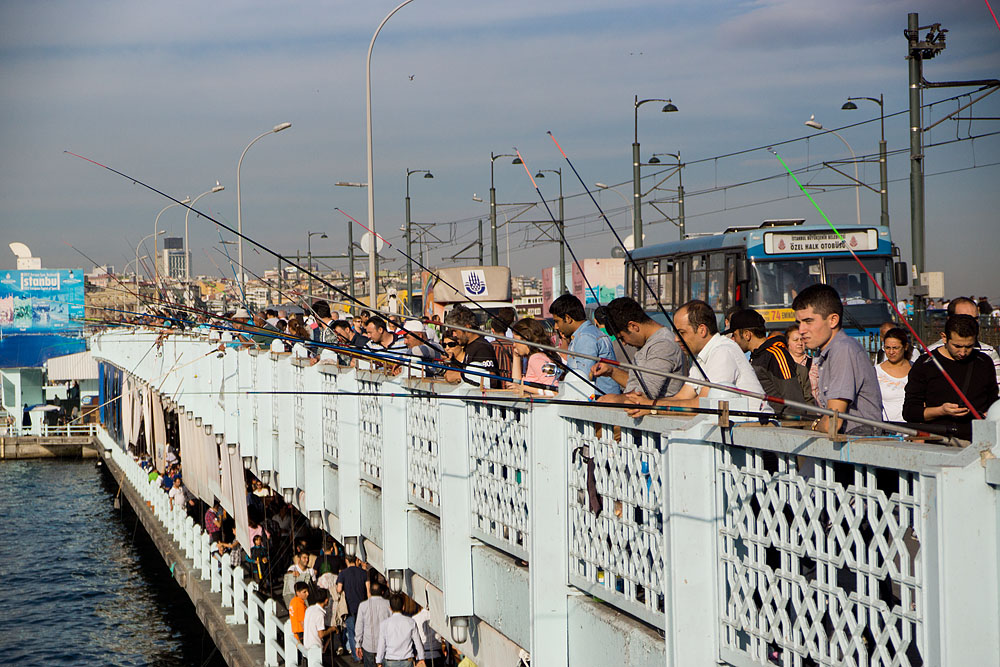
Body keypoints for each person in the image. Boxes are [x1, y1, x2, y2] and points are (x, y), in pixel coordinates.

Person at [625, 300, 768, 416]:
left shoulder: (723, 351)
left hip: (755, 437)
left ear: (702, 330)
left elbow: (703, 403)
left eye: (681, 332)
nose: (676, 339)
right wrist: (643, 403)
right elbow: (682, 397)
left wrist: (652, 407)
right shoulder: (702, 356)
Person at [792, 283, 883, 435]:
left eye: (808, 321)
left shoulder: (843, 349)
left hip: (858, 448)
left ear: (833, 320)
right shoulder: (828, 353)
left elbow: (832, 424)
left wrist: (815, 426)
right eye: (799, 323)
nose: (801, 330)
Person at [903, 314, 999, 440]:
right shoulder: (925, 364)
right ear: (944, 338)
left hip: (978, 441)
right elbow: (910, 412)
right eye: (957, 346)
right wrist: (941, 411)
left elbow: (993, 402)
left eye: (969, 346)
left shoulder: (984, 361)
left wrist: (990, 414)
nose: (963, 352)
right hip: (938, 441)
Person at [591, 297, 685, 403]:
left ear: (633, 326)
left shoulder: (663, 344)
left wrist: (612, 399)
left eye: (622, 337)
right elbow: (639, 383)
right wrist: (612, 371)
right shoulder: (646, 344)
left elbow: (644, 394)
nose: (624, 343)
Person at [726, 309, 808, 415]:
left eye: (735, 335)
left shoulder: (775, 355)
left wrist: (778, 426)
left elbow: (795, 404)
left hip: (776, 426)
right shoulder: (756, 356)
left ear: (747, 335)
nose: (734, 339)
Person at [549, 294, 618, 396]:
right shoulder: (587, 334)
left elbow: (582, 379)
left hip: (599, 401)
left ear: (568, 318)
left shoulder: (585, 337)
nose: (556, 327)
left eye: (557, 321)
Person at [926, 296, 1000, 384]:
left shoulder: (989, 352)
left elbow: (996, 391)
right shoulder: (930, 354)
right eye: (964, 319)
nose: (971, 323)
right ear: (949, 319)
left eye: (975, 319)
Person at [444, 306, 501, 389]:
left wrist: (460, 375)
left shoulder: (482, 347)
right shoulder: (469, 346)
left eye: (455, 331)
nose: (454, 335)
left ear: (467, 327)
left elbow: (492, 379)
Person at [509, 317, 562, 395]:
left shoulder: (537, 359)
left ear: (525, 339)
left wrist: (524, 388)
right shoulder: (535, 357)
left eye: (515, 340)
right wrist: (516, 356)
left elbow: (554, 390)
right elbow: (516, 383)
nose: (513, 345)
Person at [376, 593, 426, 667]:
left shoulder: (384, 624)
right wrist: (421, 657)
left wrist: (378, 661)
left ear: (390, 608)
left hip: (390, 661)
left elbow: (381, 644)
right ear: (403, 607)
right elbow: (418, 642)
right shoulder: (411, 622)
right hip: (407, 660)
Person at [337, 553, 371, 660]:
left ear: (346, 560)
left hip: (349, 606)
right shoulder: (364, 573)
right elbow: (368, 592)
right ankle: (365, 654)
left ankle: (357, 657)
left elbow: (339, 589)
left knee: (351, 632)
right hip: (362, 606)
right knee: (363, 631)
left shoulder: (342, 574)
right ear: (356, 560)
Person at [875, 327, 913, 423]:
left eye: (895, 348)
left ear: (905, 347)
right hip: (885, 429)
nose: (891, 352)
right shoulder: (875, 372)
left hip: (912, 428)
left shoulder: (916, 370)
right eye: (887, 348)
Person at [355, 581, 392, 666]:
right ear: (382, 592)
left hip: (368, 645)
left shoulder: (363, 605)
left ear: (370, 592)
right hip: (385, 645)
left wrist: (358, 644)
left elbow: (359, 626)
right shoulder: (388, 604)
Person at [303, 588, 337, 658]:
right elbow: (321, 634)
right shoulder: (320, 614)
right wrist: (332, 629)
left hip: (306, 646)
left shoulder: (309, 609)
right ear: (326, 600)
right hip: (315, 648)